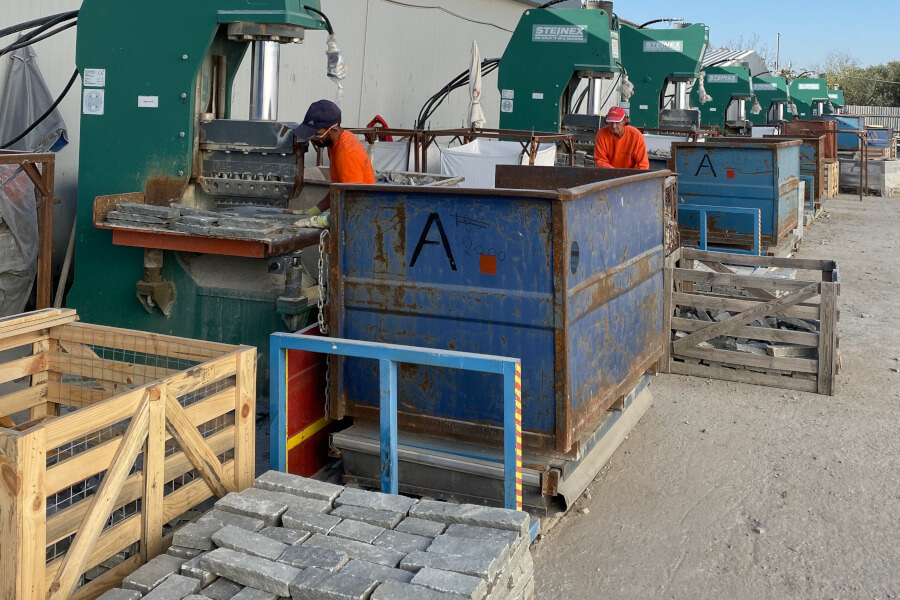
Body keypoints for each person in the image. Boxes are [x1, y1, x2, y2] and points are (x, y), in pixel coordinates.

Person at [287, 99, 375, 226]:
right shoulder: (334, 144)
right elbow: (338, 189)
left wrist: (320, 221)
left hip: (361, 222)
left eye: (316, 134)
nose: (312, 139)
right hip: (353, 217)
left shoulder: (347, 153)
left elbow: (353, 205)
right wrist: (315, 211)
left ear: (333, 130)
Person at [593, 106, 649, 170]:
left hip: (632, 174)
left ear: (625, 121)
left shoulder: (636, 135)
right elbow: (600, 160)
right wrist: (615, 173)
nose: (613, 126)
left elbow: (643, 165)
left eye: (617, 122)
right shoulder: (601, 134)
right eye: (611, 122)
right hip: (609, 173)